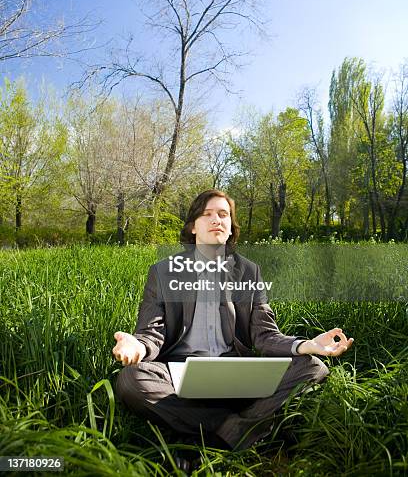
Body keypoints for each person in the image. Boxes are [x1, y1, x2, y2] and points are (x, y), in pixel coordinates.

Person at [113, 189, 353, 453]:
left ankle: (197, 433)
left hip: (236, 370)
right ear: (193, 227)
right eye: (207, 214)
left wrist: (308, 345)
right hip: (178, 373)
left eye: (223, 214)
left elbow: (265, 335)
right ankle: (240, 428)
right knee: (131, 380)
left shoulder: (249, 271)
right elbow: (152, 333)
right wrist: (137, 346)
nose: (217, 219)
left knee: (313, 367)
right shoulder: (163, 272)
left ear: (230, 228)